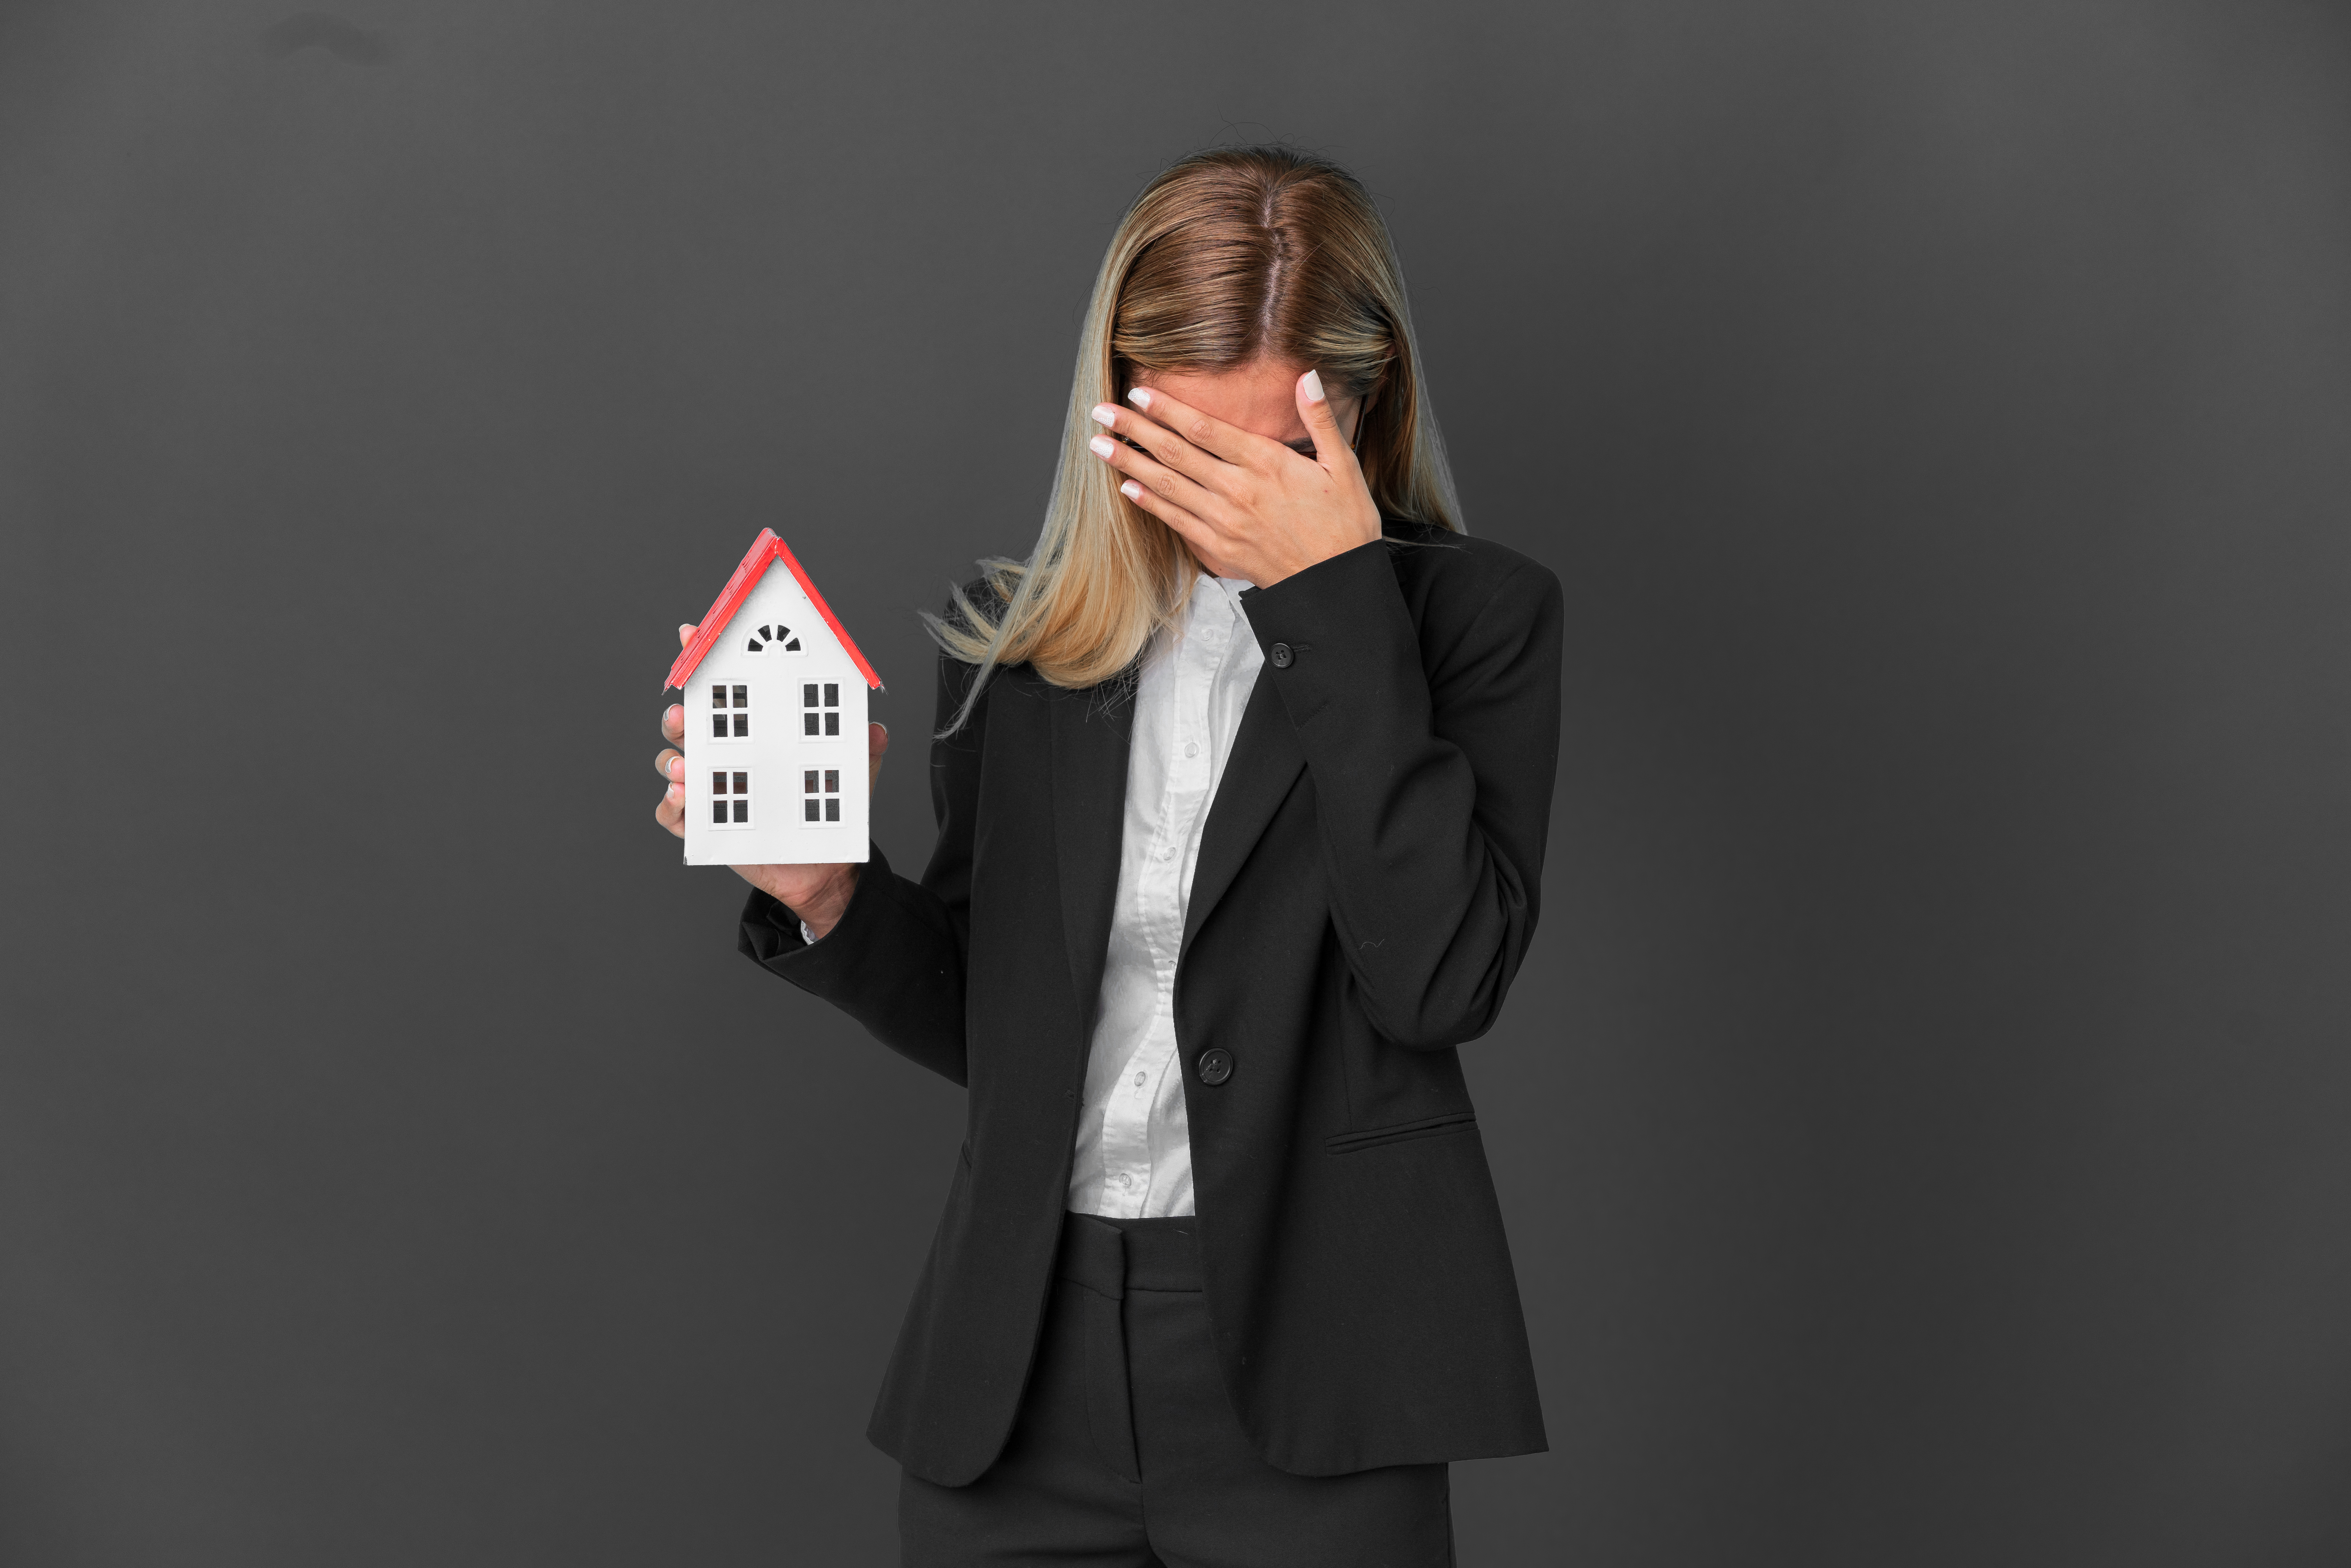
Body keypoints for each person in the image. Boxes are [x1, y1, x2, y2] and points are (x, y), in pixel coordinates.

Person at [652, 146, 1561, 1567]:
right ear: (1117, 402)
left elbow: (1438, 982)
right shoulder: (1019, 643)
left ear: (1362, 401)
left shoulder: (1474, 624)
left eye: (1266, 457)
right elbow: (999, 1026)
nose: (1219, 502)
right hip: (1020, 1371)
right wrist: (828, 897)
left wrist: (1331, 603)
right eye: (1180, 448)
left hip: (1314, 1370)